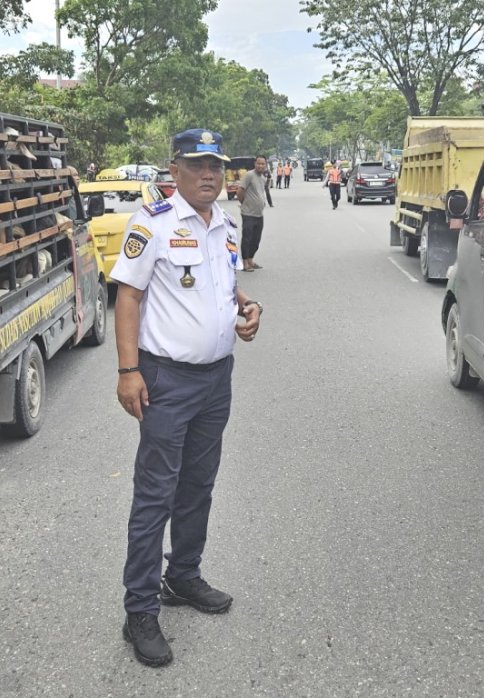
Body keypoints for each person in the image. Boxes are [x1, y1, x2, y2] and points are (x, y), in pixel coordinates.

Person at [111, 128, 263, 668]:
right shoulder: (151, 224)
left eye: (217, 166)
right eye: (197, 165)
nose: (210, 175)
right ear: (174, 170)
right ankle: (140, 609)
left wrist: (246, 306)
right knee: (156, 492)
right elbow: (129, 296)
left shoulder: (223, 226)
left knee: (198, 484)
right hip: (166, 381)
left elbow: (219, 285)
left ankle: (184, 576)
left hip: (215, 380)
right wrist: (129, 371)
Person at [237, 154, 271, 272]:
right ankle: (245, 262)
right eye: (259, 163)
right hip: (248, 214)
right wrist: (245, 204)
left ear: (266, 165)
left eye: (263, 164)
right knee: (247, 238)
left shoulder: (263, 177)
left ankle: (251, 259)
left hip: (259, 214)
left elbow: (261, 192)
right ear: (255, 164)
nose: (261, 166)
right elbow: (240, 192)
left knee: (256, 239)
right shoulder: (249, 175)